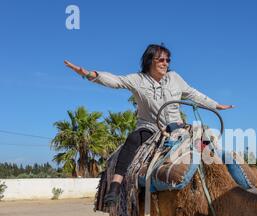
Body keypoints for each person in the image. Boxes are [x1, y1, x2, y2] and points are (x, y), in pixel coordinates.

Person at [64, 43, 234, 205]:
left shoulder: (175, 78)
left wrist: (216, 105)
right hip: (150, 128)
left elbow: (193, 94)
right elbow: (116, 81)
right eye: (161, 59)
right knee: (132, 139)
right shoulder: (138, 79)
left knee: (207, 140)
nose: (165, 63)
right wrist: (88, 74)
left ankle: (225, 182)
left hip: (178, 127)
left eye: (168, 60)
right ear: (149, 60)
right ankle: (115, 186)